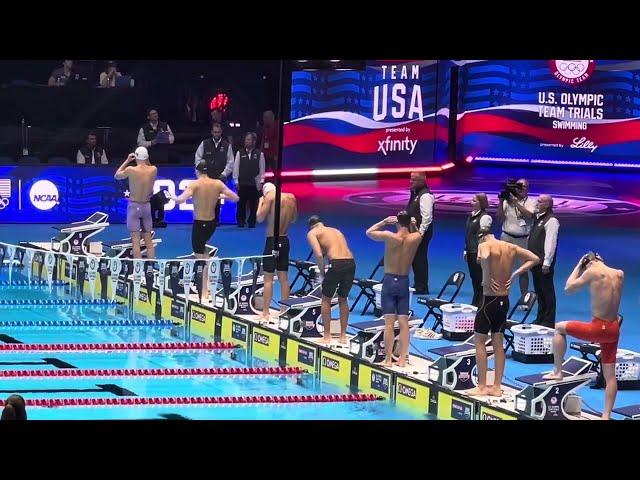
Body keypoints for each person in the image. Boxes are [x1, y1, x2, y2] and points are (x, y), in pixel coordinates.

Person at [543, 253, 624, 420]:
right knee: (610, 376)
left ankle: (558, 371)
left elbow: (568, 287)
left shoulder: (591, 272)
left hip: (598, 328)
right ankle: (606, 415)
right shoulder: (619, 273)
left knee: (559, 328)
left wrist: (578, 267)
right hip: (614, 329)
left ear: (588, 263)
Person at [467, 221, 540, 397]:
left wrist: (486, 277)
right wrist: (515, 274)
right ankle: (497, 387)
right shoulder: (509, 246)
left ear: (481, 238)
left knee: (479, 342)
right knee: (499, 345)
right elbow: (535, 258)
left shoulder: (484, 245)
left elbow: (484, 256)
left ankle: (483, 386)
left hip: (488, 301)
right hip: (503, 300)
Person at [171, 162, 239, 300]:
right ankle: (207, 285)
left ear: (197, 171)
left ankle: (204, 292)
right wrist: (220, 196)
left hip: (199, 224)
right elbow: (235, 197)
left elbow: (180, 200)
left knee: (199, 258)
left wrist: (172, 197)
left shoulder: (195, 184)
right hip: (212, 224)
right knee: (205, 253)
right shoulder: (217, 184)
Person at [366, 211, 423, 368]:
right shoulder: (415, 238)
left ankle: (388, 360)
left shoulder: (390, 237)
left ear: (397, 222)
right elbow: (419, 232)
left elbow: (369, 232)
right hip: (404, 281)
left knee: (389, 324)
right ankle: (403, 360)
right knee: (404, 322)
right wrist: (414, 224)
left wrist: (384, 221)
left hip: (390, 281)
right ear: (409, 223)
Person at [306, 215, 356, 345]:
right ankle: (343, 336)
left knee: (326, 299)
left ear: (310, 226)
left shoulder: (312, 233)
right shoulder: (336, 230)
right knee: (343, 299)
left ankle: (327, 336)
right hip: (351, 263)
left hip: (336, 264)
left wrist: (322, 274)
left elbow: (318, 254)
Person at [256, 182, 297, 323]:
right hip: (285, 240)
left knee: (268, 278)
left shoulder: (270, 197)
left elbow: (259, 218)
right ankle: (284, 311)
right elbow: (294, 219)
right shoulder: (291, 197)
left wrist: (260, 203)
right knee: (283, 278)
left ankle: (266, 312)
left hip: (272, 240)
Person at [114, 146, 157, 259]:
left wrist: (127, 161)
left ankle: (138, 271)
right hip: (146, 207)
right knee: (149, 241)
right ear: (147, 157)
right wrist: (145, 158)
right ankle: (150, 269)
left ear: (136, 157)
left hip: (134, 207)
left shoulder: (131, 170)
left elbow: (117, 175)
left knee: (136, 242)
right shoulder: (153, 169)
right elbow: (148, 164)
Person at [497, 178, 536, 297]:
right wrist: (501, 201)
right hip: (506, 238)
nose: (520, 189)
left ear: (528, 189)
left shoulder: (531, 201)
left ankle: (524, 298)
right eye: (518, 186)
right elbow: (500, 218)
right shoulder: (506, 202)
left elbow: (529, 216)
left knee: (523, 271)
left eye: (523, 186)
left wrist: (515, 203)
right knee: (503, 268)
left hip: (522, 240)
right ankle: (501, 295)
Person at [527, 194, 560, 327]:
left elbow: (550, 243)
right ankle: (540, 318)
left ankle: (548, 321)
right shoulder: (538, 218)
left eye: (540, 201)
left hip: (543, 264)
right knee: (539, 292)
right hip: (535, 261)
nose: (536, 203)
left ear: (547, 205)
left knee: (547, 292)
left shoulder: (551, 221)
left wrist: (547, 262)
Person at [194, 122, 235, 224]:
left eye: (218, 132)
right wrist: (200, 176)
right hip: (206, 177)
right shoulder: (204, 143)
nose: (217, 134)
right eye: (215, 132)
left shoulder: (227, 145)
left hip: (219, 178)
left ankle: (215, 220)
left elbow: (230, 162)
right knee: (204, 199)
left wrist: (224, 174)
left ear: (221, 132)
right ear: (212, 132)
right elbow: (197, 159)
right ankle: (204, 219)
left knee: (216, 200)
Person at [406, 171, 435, 294]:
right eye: (411, 179)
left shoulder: (425, 196)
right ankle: (418, 283)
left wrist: (420, 233)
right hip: (414, 232)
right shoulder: (415, 193)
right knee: (415, 258)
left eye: (414, 180)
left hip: (420, 232)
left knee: (420, 258)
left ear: (422, 181)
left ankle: (422, 286)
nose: (411, 182)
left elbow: (427, 217)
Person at [464, 193, 492, 307]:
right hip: (470, 251)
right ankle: (476, 299)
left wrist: (480, 254)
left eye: (474, 201)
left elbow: (483, 238)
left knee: (480, 278)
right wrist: (466, 250)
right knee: (474, 277)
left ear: (481, 203)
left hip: (478, 253)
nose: (472, 202)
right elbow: (469, 235)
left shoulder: (485, 217)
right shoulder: (471, 216)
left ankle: (482, 301)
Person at [233, 132, 265, 228]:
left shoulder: (260, 154)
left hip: (253, 184)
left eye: (249, 140)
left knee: (253, 205)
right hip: (242, 183)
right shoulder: (240, 153)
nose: (246, 141)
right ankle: (240, 221)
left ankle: (252, 222)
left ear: (254, 141)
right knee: (241, 204)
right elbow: (236, 168)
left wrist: (261, 182)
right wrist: (236, 181)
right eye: (246, 139)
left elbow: (262, 170)